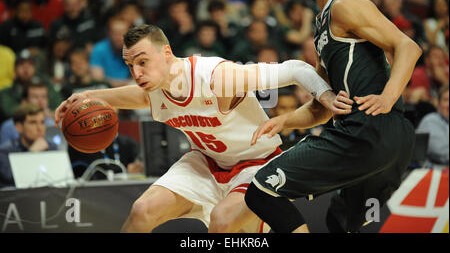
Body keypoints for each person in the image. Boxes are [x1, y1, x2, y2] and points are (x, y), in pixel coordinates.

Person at [54, 24, 348, 233]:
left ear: (167, 53)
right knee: (142, 212)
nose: (137, 73)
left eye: (143, 62)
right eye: (131, 66)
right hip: (205, 164)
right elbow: (139, 95)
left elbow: (296, 69)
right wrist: (90, 96)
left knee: (222, 222)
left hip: (255, 165)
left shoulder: (217, 77)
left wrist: (327, 98)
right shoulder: (154, 87)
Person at [244, 0, 422, 233]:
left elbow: (408, 47)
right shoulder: (323, 25)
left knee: (261, 191)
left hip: (365, 131)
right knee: (340, 223)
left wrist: (388, 96)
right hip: (390, 141)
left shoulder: (346, 5)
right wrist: (284, 120)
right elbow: (323, 107)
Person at [0, 104, 58, 187]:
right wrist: (32, 153)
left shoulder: (52, 147)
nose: (39, 128)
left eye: (42, 122)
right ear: (18, 127)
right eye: (33, 123)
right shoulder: (4, 152)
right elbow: (12, 178)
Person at [0, 80, 55, 144]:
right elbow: (4, 152)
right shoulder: (9, 127)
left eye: (44, 97)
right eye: (35, 97)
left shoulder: (54, 124)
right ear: (24, 101)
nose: (40, 101)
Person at [90, 16, 131, 87]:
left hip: (129, 90)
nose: (118, 37)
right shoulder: (99, 49)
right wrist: (125, 83)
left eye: (122, 33)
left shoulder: (134, 49)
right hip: (106, 90)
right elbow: (97, 79)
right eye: (115, 33)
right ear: (109, 33)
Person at [416, 85, 449, 166]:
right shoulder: (430, 121)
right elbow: (441, 152)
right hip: (436, 170)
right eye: (446, 100)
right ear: (438, 103)